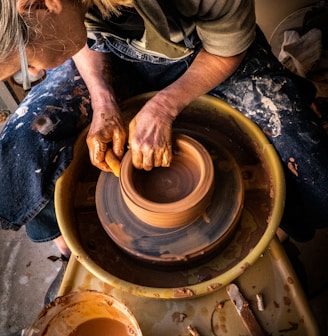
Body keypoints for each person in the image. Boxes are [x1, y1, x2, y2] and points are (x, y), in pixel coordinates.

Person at [0, 0, 327, 261]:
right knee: (22, 144)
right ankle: (71, 248)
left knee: (312, 168)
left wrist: (164, 106)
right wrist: (103, 101)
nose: (38, 73)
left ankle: (271, 242)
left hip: (209, 54)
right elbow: (78, 33)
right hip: (110, 55)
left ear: (43, 5)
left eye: (26, 66)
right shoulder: (58, 14)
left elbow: (226, 48)